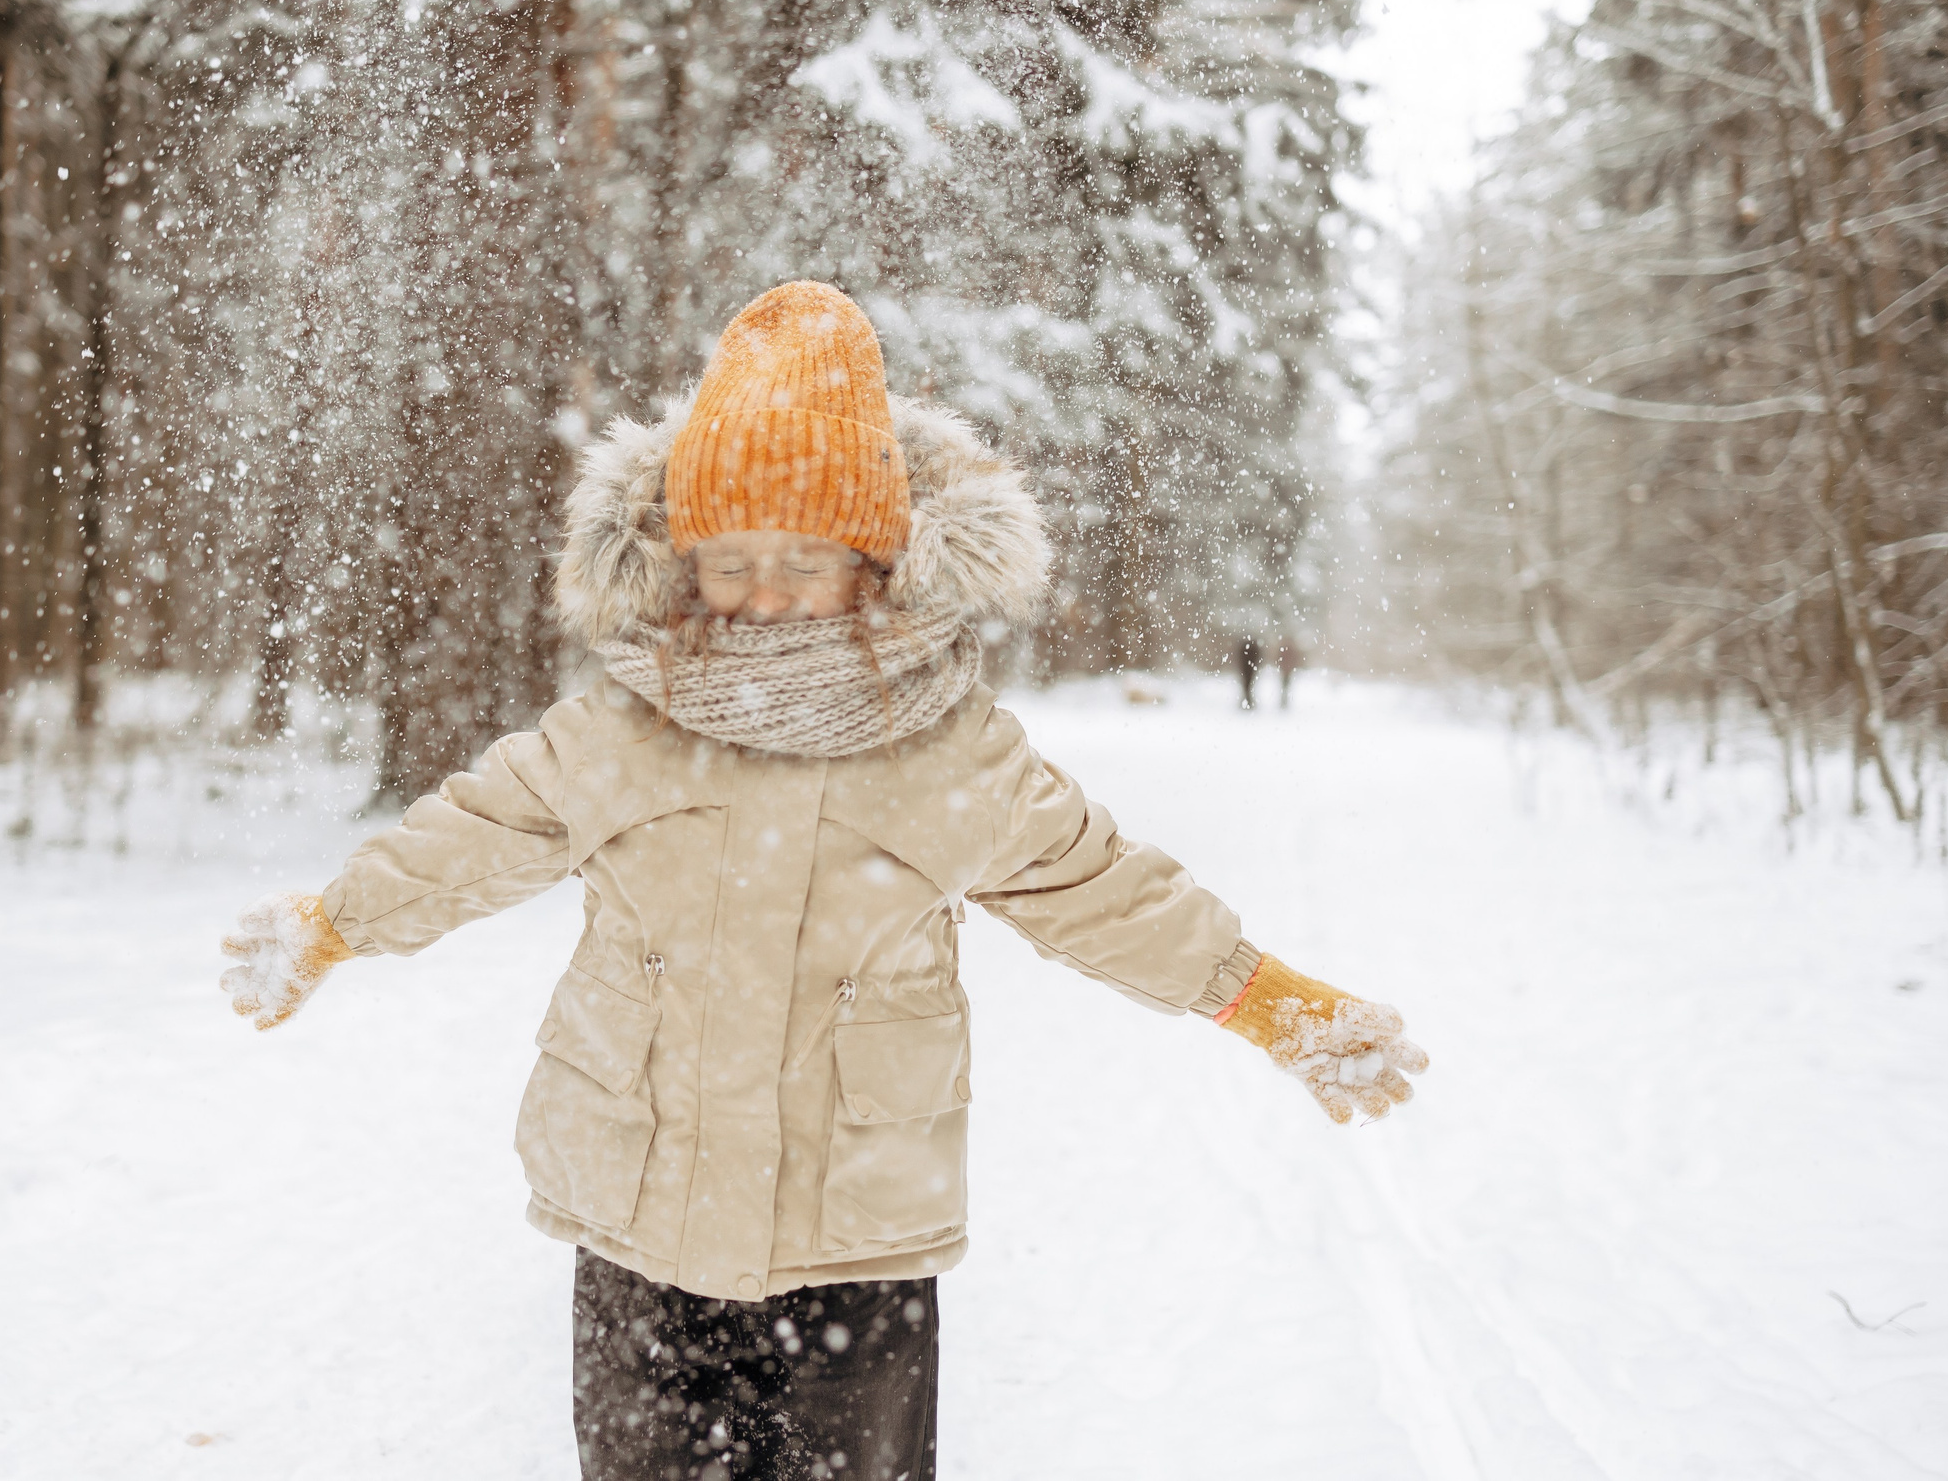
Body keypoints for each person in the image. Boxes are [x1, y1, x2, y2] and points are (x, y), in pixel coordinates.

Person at [219, 283, 1426, 1481]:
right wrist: (335, 924)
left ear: (876, 560)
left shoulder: (948, 750)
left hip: (856, 1247)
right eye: (730, 560)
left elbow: (1103, 891)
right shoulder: (623, 728)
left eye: (804, 558)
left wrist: (1263, 1000)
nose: (766, 592)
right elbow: (474, 834)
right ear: (681, 561)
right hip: (641, 1229)